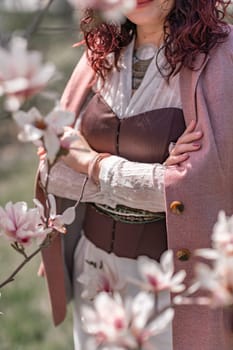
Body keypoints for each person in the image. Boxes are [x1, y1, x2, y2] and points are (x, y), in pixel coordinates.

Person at [36, 0, 233, 349]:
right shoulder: (101, 52)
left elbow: (195, 192)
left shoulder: (221, 57)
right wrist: (157, 175)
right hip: (94, 269)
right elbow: (52, 167)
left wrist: (93, 163)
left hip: (171, 283)